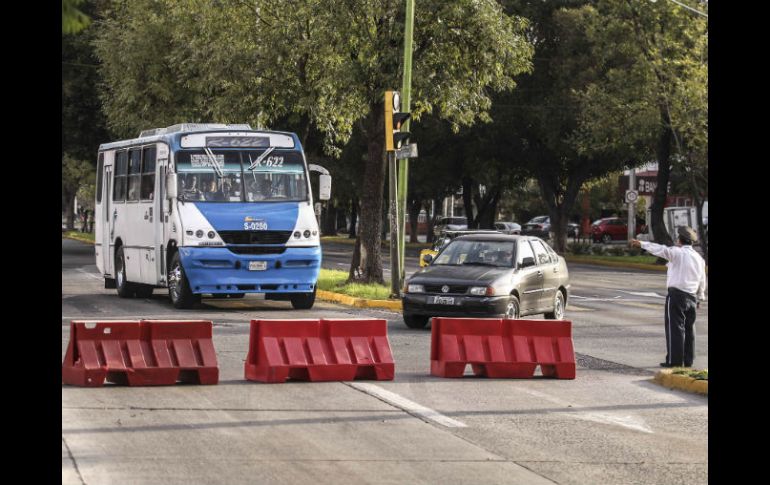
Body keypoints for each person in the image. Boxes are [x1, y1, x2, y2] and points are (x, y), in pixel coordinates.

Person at [630, 226, 706, 368]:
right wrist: (700, 297)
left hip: (677, 295)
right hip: (692, 297)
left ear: (679, 240)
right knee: (689, 329)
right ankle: (688, 360)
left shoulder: (677, 253)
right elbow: (702, 279)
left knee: (675, 329)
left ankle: (674, 361)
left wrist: (642, 244)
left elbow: (660, 249)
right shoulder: (698, 258)